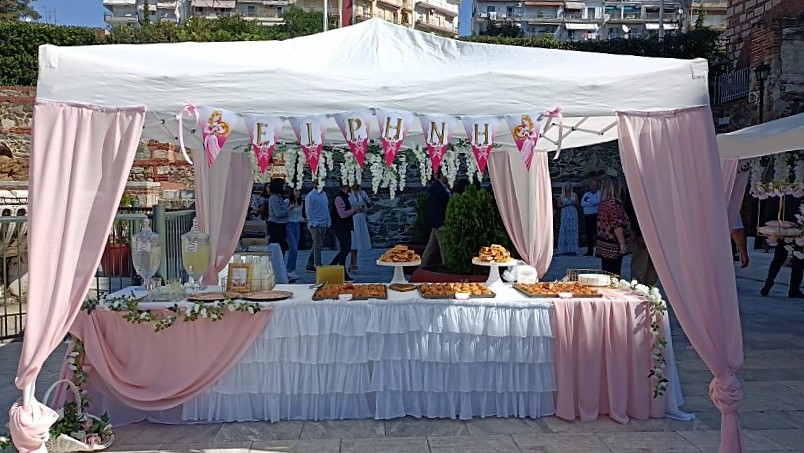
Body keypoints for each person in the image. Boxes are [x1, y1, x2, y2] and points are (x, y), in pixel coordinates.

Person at [761, 196, 803, 298]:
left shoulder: (782, 194)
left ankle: (768, 283)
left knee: (778, 258)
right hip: (797, 228)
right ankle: (794, 289)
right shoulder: (800, 195)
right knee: (798, 261)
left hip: (782, 228)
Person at [596, 177, 632, 275]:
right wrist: (622, 244)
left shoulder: (602, 204)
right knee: (614, 273)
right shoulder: (613, 204)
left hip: (604, 244)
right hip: (613, 245)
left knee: (606, 272)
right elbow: (617, 225)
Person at [623, 187, 658, 286]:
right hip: (642, 228)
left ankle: (650, 290)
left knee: (654, 266)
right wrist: (639, 233)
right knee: (640, 264)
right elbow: (632, 209)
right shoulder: (636, 185)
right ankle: (637, 290)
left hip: (657, 229)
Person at [421, 169, 451, 266]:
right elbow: (434, 207)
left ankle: (421, 266)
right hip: (439, 224)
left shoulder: (441, 186)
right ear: (442, 174)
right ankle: (447, 267)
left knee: (431, 247)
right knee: (444, 247)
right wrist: (439, 224)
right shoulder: (437, 188)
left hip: (437, 223)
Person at [330, 183, 358, 282]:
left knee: (346, 249)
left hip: (345, 227)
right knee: (344, 249)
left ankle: (333, 265)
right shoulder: (339, 198)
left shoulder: (345, 196)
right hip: (340, 228)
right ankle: (342, 273)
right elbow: (342, 214)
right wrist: (353, 210)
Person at [304, 181, 330, 272]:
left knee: (317, 244)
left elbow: (326, 208)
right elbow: (308, 210)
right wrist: (314, 223)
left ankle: (309, 264)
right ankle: (318, 265)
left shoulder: (324, 194)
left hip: (324, 223)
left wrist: (328, 221)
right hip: (315, 224)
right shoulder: (310, 196)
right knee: (318, 246)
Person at [348, 184, 372, 273]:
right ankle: (353, 263)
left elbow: (368, 205)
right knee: (353, 240)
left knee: (358, 241)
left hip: (361, 218)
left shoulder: (362, 193)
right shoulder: (348, 194)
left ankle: (353, 262)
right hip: (352, 218)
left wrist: (365, 205)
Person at [555, 182, 579, 256]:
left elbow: (577, 204)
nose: (568, 188)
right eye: (567, 186)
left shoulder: (574, 195)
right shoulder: (561, 196)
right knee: (564, 229)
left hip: (572, 212)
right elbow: (558, 205)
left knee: (573, 229)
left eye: (569, 186)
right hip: (565, 212)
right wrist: (564, 205)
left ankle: (573, 249)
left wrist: (573, 203)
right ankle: (563, 249)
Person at [266, 178, 289, 252]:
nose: (285, 187)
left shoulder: (279, 197)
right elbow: (278, 213)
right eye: (283, 185)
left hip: (282, 224)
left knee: (282, 247)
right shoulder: (273, 198)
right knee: (277, 247)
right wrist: (289, 209)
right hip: (275, 225)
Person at [286, 188, 303, 281]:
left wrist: (305, 220)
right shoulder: (287, 201)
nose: (298, 192)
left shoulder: (301, 203)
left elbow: (299, 216)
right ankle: (289, 270)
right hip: (289, 225)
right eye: (296, 190)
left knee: (295, 249)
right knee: (293, 249)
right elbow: (284, 213)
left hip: (297, 225)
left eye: (299, 190)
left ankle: (292, 270)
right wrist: (289, 208)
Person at [581, 180, 601, 256]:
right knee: (589, 234)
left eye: (595, 185)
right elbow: (582, 203)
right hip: (587, 216)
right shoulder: (586, 194)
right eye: (592, 186)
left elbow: (597, 201)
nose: (593, 187)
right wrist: (592, 203)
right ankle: (590, 251)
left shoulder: (599, 193)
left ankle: (598, 251)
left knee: (597, 234)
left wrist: (588, 201)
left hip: (595, 216)